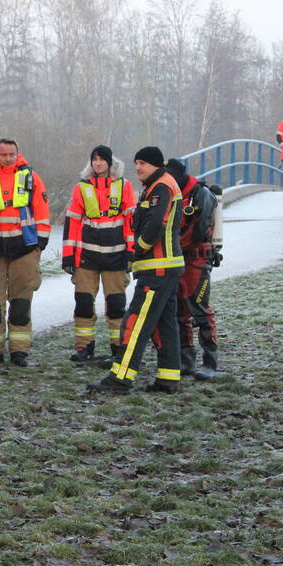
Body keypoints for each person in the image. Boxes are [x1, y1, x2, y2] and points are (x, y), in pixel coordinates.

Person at [87, 146, 185, 395]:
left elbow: (154, 225)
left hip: (157, 269)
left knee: (135, 322)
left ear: (155, 165)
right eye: (136, 163)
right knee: (165, 325)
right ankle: (168, 377)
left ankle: (120, 378)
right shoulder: (161, 184)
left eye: (142, 163)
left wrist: (137, 250)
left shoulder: (160, 186)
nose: (138, 168)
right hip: (166, 268)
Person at [0, 139, 51, 367]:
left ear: (17, 154)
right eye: (3, 154)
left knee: (20, 304)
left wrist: (41, 242)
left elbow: (41, 209)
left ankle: (20, 352)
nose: (7, 158)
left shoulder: (31, 177)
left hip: (24, 249)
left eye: (11, 154)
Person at [61, 145, 136, 364]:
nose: (98, 163)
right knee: (83, 303)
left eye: (102, 159)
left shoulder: (124, 186)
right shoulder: (81, 188)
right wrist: (68, 257)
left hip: (116, 256)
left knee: (116, 305)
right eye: (94, 159)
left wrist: (131, 254)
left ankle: (117, 347)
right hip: (87, 257)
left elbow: (130, 223)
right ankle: (85, 347)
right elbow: (72, 224)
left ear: (110, 162)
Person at [164, 158, 223, 380]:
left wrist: (172, 246)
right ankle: (186, 361)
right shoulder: (169, 193)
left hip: (196, 260)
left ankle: (210, 362)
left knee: (199, 308)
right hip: (177, 259)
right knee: (180, 312)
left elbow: (198, 230)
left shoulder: (201, 194)